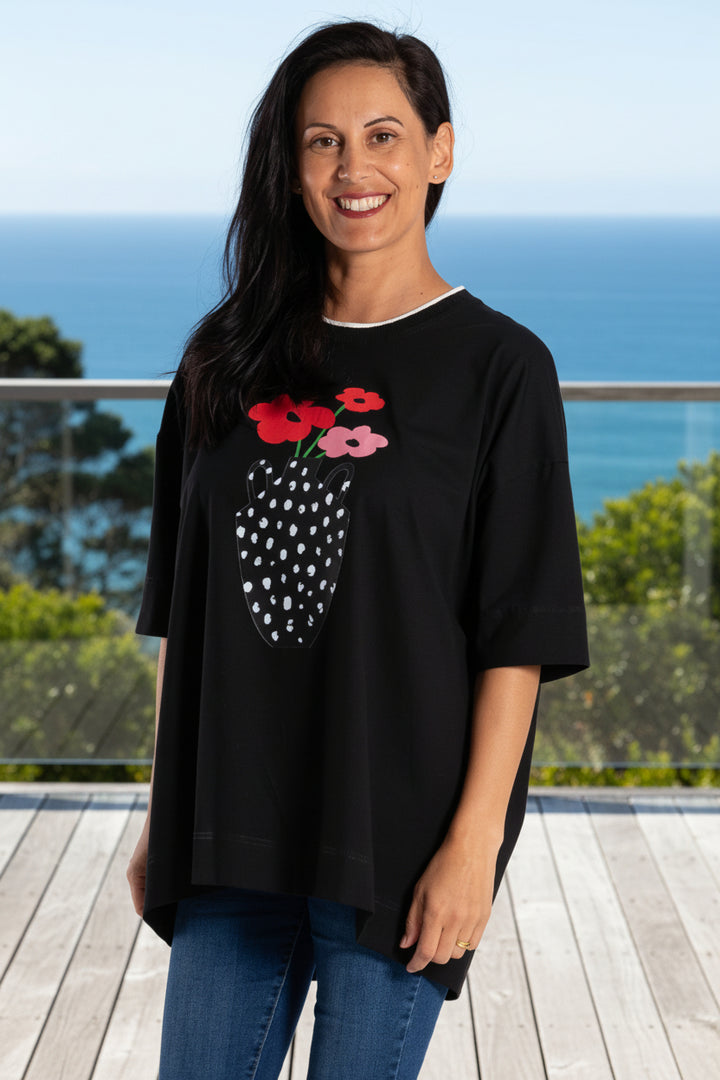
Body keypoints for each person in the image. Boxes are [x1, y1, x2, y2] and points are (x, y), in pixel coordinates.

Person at [127, 19, 589, 1080]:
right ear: (289, 169)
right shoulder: (222, 356)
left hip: (399, 834)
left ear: (440, 151)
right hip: (227, 828)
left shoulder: (502, 367)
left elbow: (515, 634)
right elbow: (179, 612)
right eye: (320, 141)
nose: (353, 168)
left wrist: (474, 847)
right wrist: (162, 815)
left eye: (382, 136)